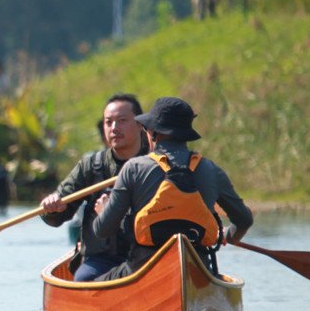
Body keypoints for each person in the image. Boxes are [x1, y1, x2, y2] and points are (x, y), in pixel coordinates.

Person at [87, 96, 252, 282]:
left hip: (142, 269)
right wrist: (226, 235)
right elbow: (244, 220)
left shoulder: (133, 168)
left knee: (93, 286)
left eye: (147, 129)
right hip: (197, 272)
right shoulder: (212, 170)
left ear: (154, 133)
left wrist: (102, 211)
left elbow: (102, 230)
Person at [39, 93, 150, 281]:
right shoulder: (91, 166)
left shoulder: (155, 163)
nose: (114, 128)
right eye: (109, 122)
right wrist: (51, 208)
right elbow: (58, 216)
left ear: (140, 124)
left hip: (147, 256)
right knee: (83, 280)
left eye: (122, 121)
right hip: (101, 260)